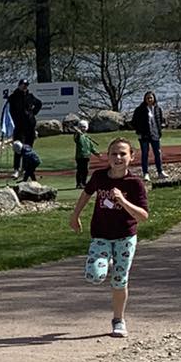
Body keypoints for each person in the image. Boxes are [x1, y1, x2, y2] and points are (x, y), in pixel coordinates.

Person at [69, 135, 149, 338]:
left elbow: (143, 216)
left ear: (131, 157)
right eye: (114, 154)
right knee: (95, 276)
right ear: (108, 156)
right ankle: (106, 261)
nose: (118, 158)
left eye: (123, 154)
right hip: (101, 235)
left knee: (119, 280)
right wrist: (75, 215)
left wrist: (122, 200)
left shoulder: (135, 183)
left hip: (125, 237)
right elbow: (86, 194)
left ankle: (118, 320)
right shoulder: (99, 177)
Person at [7, 79, 42, 178]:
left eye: (26, 85)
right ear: (19, 85)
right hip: (19, 127)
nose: (25, 87)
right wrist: (15, 119)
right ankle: (16, 169)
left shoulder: (30, 96)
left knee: (28, 149)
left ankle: (25, 169)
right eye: (23, 85)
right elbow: (10, 111)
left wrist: (32, 113)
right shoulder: (13, 97)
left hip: (30, 126)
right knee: (18, 148)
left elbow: (39, 103)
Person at [130, 91, 167, 181]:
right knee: (145, 154)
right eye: (148, 98)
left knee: (157, 153)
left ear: (154, 98)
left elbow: (160, 120)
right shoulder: (140, 109)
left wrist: (160, 129)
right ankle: (146, 173)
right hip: (144, 135)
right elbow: (134, 122)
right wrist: (139, 132)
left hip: (155, 134)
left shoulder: (157, 109)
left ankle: (160, 172)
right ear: (145, 99)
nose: (149, 99)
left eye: (151, 98)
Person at [72, 119, 95, 188]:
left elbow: (91, 146)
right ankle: (79, 183)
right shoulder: (78, 135)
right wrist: (77, 133)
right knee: (80, 170)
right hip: (80, 156)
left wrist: (96, 153)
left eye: (84, 127)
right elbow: (76, 138)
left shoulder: (87, 137)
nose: (83, 128)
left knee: (86, 170)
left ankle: (84, 183)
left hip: (86, 156)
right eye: (81, 127)